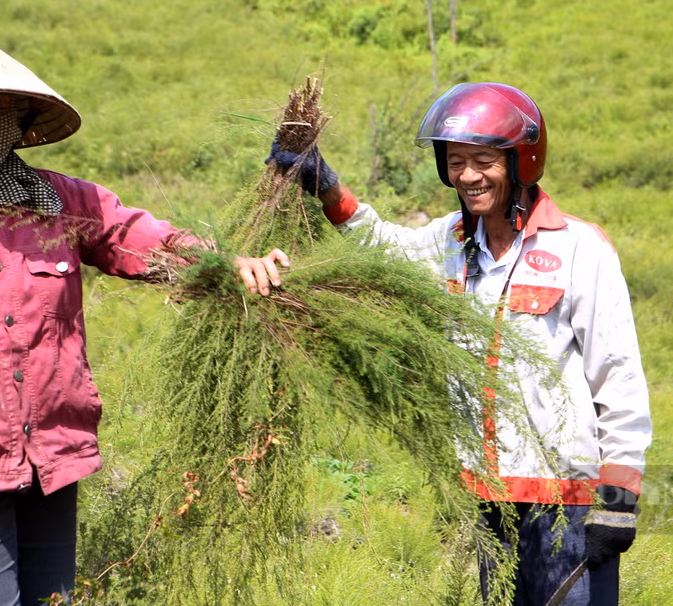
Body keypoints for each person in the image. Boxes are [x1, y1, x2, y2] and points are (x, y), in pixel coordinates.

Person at [0, 22, 287, 605]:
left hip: (52, 463)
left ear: (19, 122)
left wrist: (225, 265)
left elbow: (140, 238)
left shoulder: (62, 203)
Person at [267, 82, 651, 605]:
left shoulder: (579, 249)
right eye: (455, 161)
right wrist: (329, 190)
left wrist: (619, 497)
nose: (467, 176)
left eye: (482, 160)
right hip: (488, 494)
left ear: (521, 161)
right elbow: (386, 249)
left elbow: (619, 373)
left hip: (566, 499)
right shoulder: (450, 240)